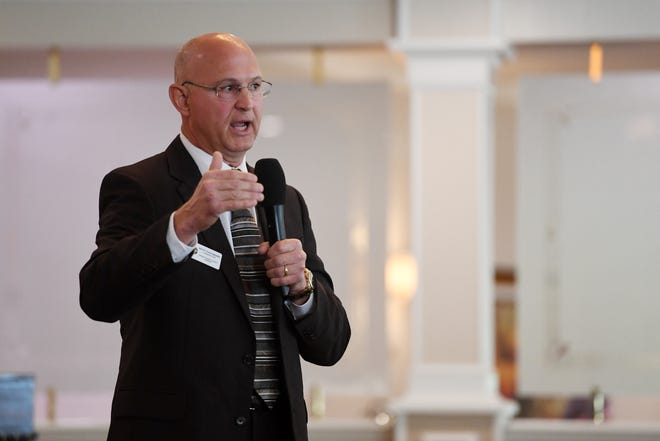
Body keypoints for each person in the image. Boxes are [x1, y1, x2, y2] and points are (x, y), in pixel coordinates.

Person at [79, 33, 351, 441]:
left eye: (255, 86)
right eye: (228, 88)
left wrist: (302, 288)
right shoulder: (140, 186)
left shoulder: (284, 198)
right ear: (181, 99)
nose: (247, 103)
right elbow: (98, 296)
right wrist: (184, 223)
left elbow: (330, 347)